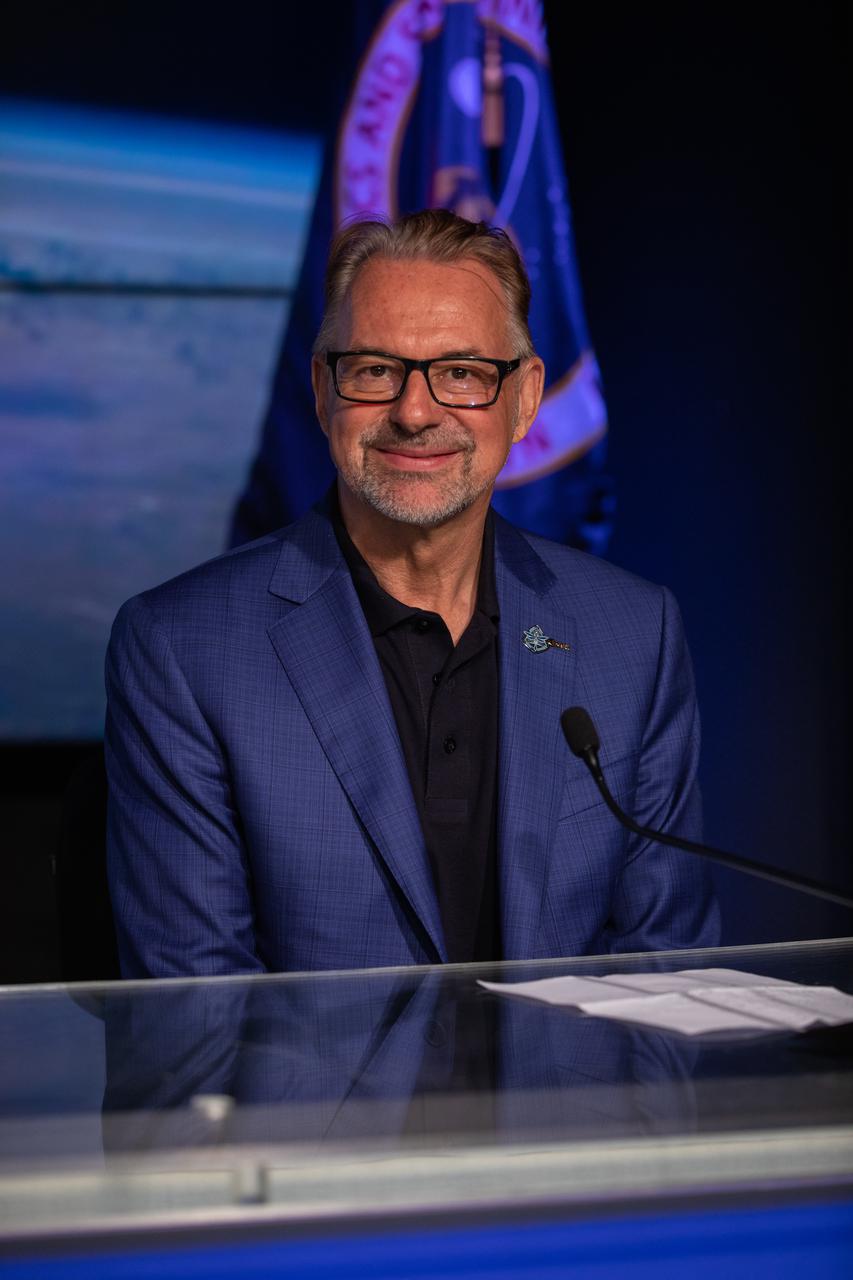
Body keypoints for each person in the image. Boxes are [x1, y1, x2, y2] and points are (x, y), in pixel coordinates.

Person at [105, 209, 719, 978]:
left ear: (525, 399)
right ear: (323, 390)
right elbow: (197, 1010)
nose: (415, 411)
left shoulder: (633, 634)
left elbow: (666, 971)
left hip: (562, 1099)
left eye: (461, 372)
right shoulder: (185, 650)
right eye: (373, 369)